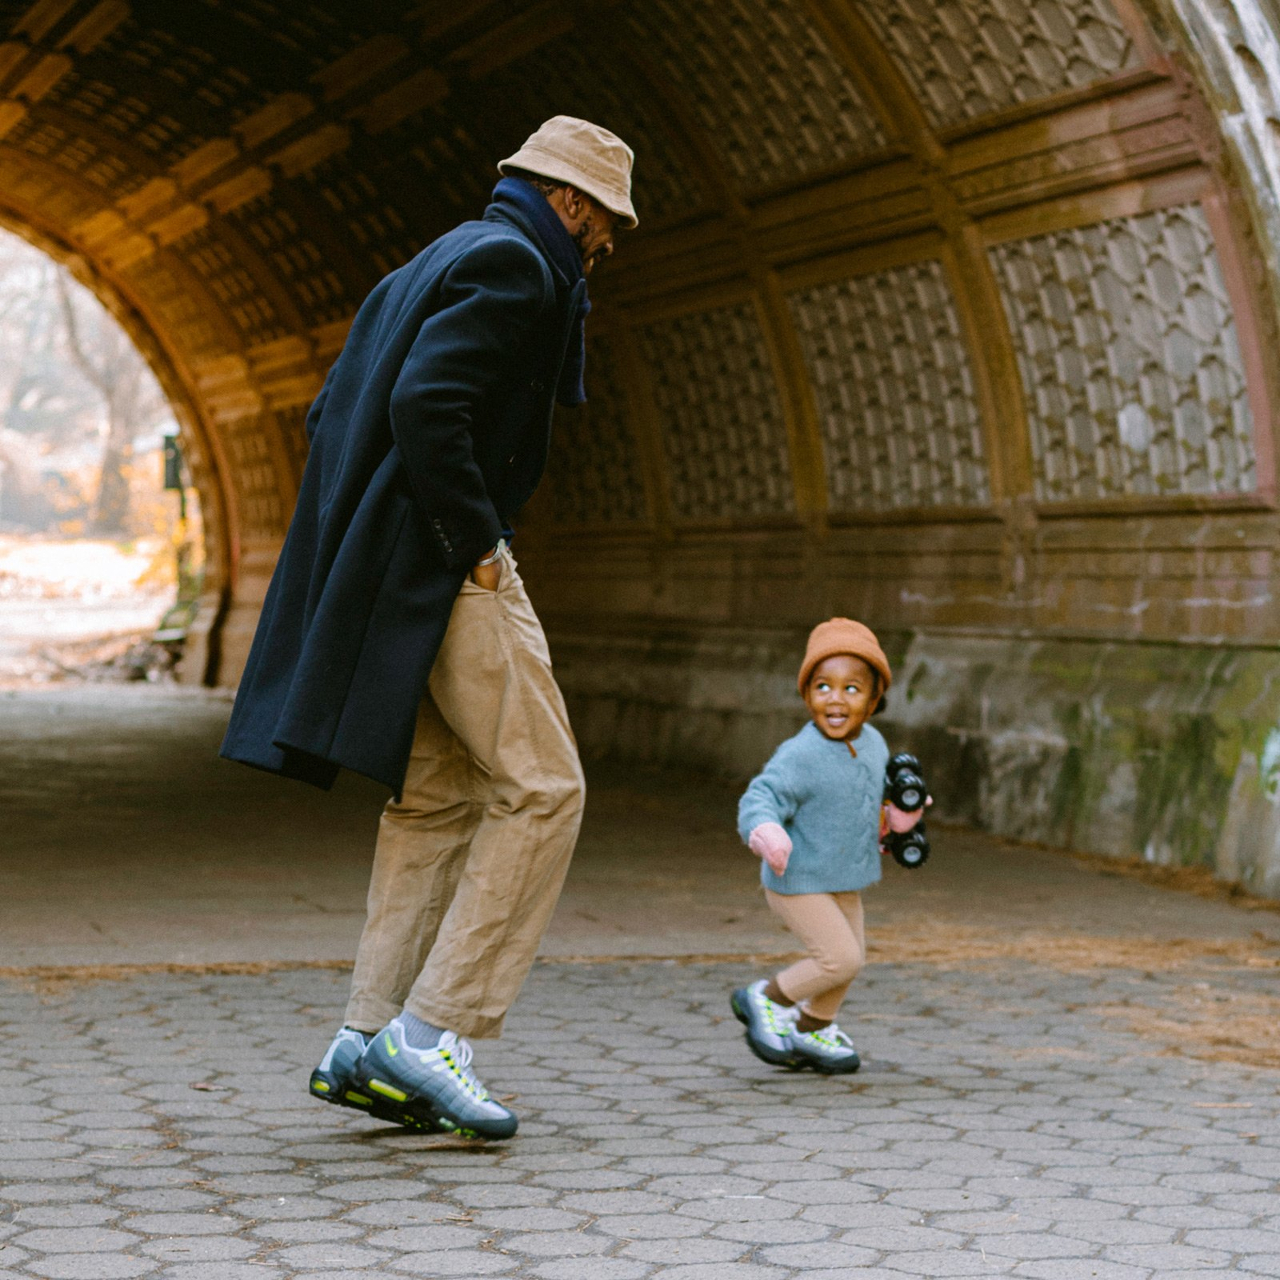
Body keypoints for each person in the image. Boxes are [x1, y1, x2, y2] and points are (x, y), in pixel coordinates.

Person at [219, 117, 637, 1140]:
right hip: (449, 570)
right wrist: (475, 542)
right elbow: (427, 404)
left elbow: (330, 412)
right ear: (570, 202)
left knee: (439, 798)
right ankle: (434, 1027)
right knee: (545, 786)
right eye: (608, 220)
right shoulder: (510, 264)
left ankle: (364, 1038)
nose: (609, 245)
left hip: (399, 575)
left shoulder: (438, 254)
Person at [731, 618, 924, 1075]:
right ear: (806, 695)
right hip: (797, 878)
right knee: (838, 958)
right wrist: (766, 830)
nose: (835, 700)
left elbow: (871, 797)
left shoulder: (875, 743)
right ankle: (766, 999)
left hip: (844, 877)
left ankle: (814, 1026)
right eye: (822, 686)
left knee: (850, 962)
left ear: (875, 699)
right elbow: (762, 796)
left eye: (852, 689)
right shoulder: (802, 754)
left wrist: (896, 819)